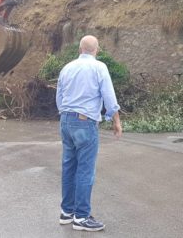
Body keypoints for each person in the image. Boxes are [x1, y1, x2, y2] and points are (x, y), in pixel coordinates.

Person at [55, 35, 123, 232]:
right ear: (97, 49)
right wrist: (116, 120)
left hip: (66, 120)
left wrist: (65, 114)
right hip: (85, 122)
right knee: (85, 169)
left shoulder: (66, 68)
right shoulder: (99, 67)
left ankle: (67, 212)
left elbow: (59, 97)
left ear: (79, 49)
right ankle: (81, 217)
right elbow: (109, 97)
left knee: (69, 166)